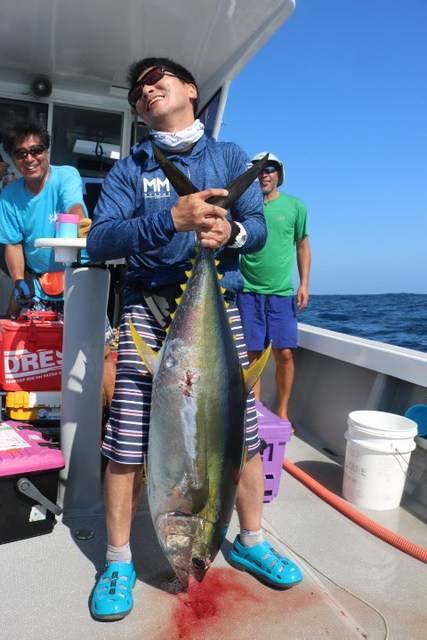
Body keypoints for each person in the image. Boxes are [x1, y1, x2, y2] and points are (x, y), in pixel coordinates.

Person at [86, 57, 303, 622]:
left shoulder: (231, 159)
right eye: (137, 89)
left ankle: (251, 541)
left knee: (241, 437)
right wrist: (172, 220)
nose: (147, 89)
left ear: (190, 89)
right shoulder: (129, 170)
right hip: (147, 310)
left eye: (158, 79)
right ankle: (117, 561)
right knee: (128, 443)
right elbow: (102, 240)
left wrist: (231, 230)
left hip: (217, 309)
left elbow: (255, 229)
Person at [0, 120, 116, 408]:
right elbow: (13, 244)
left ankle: (109, 431)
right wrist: (18, 281)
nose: (29, 158)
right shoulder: (9, 196)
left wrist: (79, 223)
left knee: (101, 352)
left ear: (46, 150)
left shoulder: (67, 175)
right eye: (20, 153)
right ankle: (34, 425)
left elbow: (73, 205)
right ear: (13, 159)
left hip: (80, 277)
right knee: (30, 350)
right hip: (38, 283)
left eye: (36, 150)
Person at [237, 152, 311, 424]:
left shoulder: (295, 207)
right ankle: (253, 410)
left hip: (281, 294)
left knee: (285, 353)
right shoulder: (243, 207)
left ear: (278, 174)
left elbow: (302, 245)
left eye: (269, 169)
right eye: (258, 170)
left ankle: (282, 411)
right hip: (247, 291)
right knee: (252, 355)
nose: (264, 174)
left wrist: (304, 284)